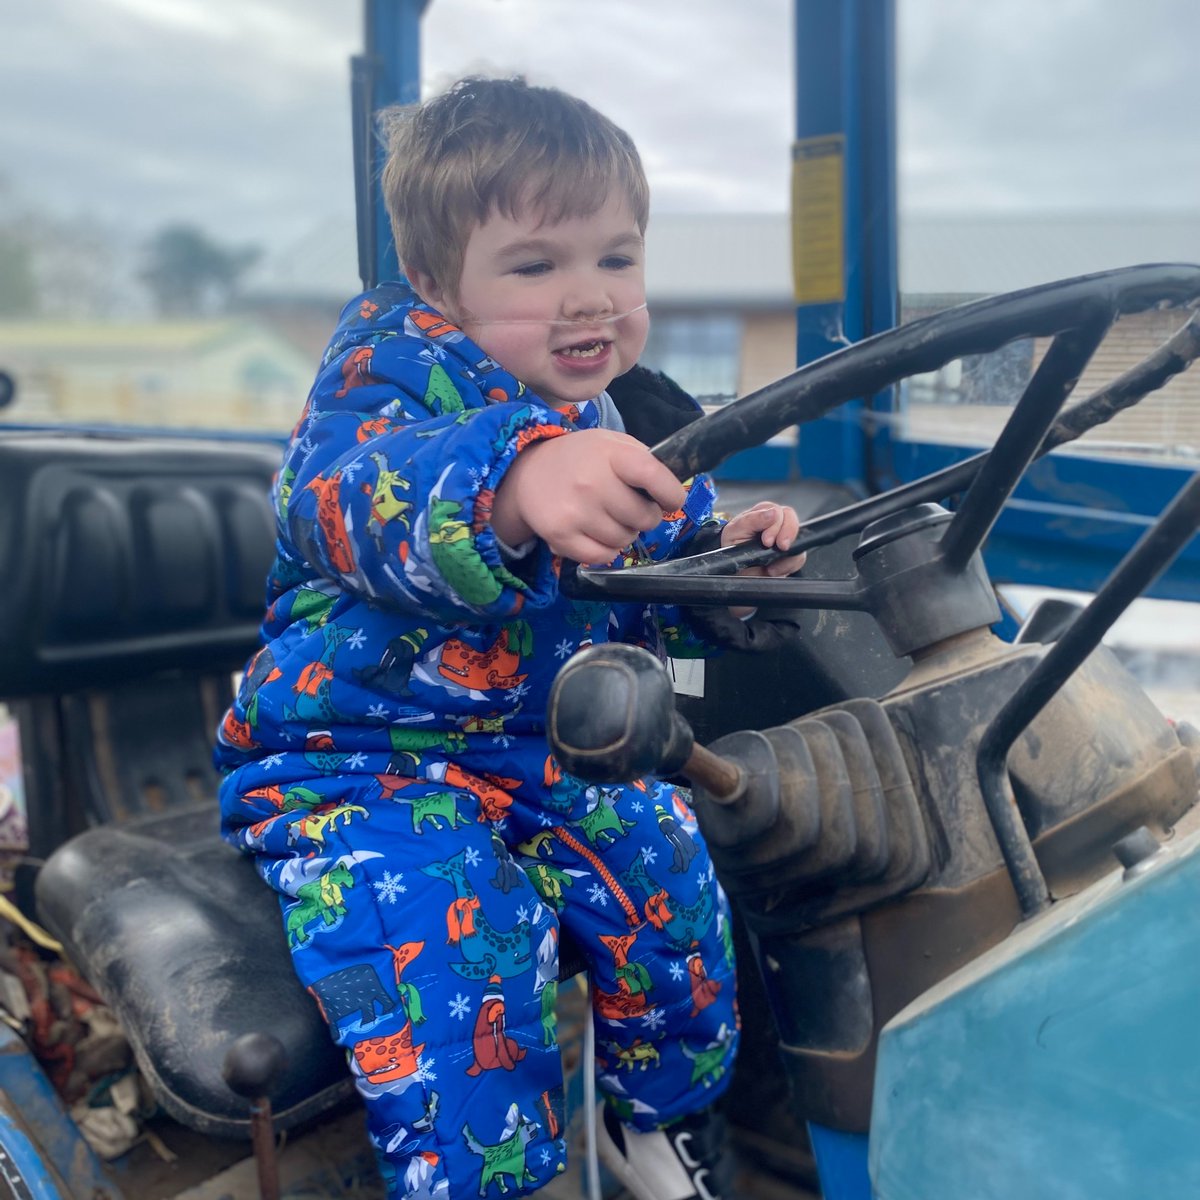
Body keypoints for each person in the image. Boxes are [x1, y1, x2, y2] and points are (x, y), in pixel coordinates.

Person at [215, 76, 805, 1200]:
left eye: (615, 260)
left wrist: (734, 565)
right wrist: (513, 484)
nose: (589, 300)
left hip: (541, 755)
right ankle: (493, 1185)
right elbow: (342, 495)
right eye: (536, 266)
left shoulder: (605, 412)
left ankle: (654, 1121)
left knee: (675, 878)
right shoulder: (384, 372)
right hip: (360, 764)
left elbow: (656, 560)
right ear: (438, 280)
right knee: (454, 951)